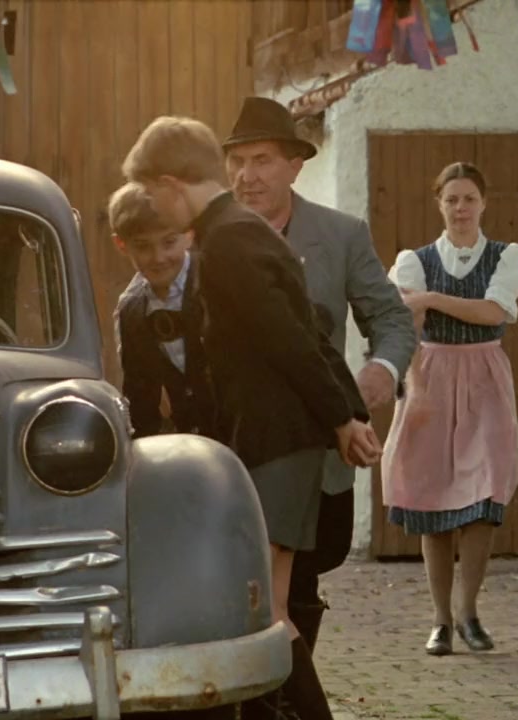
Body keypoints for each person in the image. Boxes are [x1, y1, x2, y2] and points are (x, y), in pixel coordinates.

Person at [121, 115, 382, 720]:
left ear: (170, 184)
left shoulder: (227, 242)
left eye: (152, 194)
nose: (154, 208)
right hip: (278, 442)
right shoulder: (240, 229)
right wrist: (344, 411)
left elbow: (291, 340)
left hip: (275, 442)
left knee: (266, 612)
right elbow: (309, 328)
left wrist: (342, 418)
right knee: (266, 609)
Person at [222, 96, 416, 653]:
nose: (247, 176)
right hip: (233, 445)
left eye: (261, 161)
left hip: (320, 449)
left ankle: (289, 677)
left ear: (294, 165)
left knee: (301, 580)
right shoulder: (208, 236)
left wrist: (381, 369)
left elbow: (392, 319)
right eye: (237, 161)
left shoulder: (340, 235)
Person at [382, 161, 518, 657]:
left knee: (485, 494)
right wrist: (415, 385)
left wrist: (429, 299)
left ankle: (468, 612)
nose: (461, 208)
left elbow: (492, 311)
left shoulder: (508, 256)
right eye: (451, 199)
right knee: (433, 500)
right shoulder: (414, 261)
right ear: (439, 204)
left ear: (483, 203)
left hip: (485, 378)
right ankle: (440, 620)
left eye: (469, 199)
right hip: (430, 374)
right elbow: (406, 322)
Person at [108, 181, 217, 441]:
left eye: (169, 242)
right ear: (121, 244)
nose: (158, 257)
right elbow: (140, 398)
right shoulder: (132, 311)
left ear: (189, 233)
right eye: (143, 246)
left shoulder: (215, 282)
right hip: (194, 444)